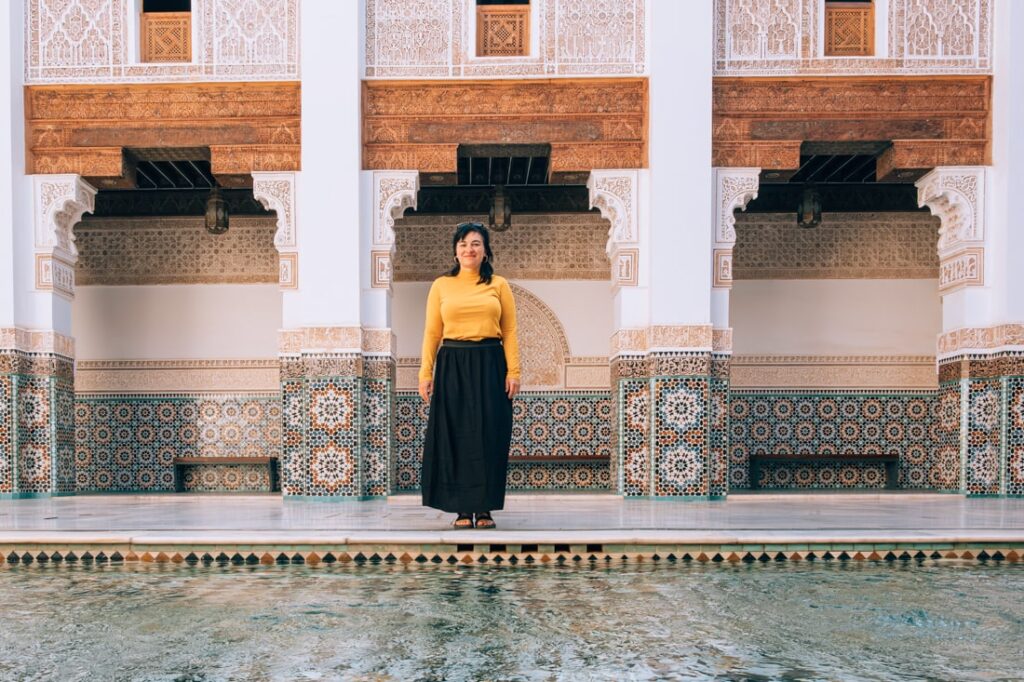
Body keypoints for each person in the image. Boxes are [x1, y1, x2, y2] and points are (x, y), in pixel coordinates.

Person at [418, 222, 521, 529]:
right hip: (452, 362)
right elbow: (432, 332)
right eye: (463, 244)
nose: (469, 249)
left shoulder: (499, 285)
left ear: (486, 251)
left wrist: (513, 370)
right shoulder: (441, 285)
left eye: (476, 243)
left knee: (490, 434)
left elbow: (511, 330)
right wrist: (426, 372)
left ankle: (485, 507)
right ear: (455, 250)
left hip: (491, 362)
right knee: (457, 436)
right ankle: (463, 509)